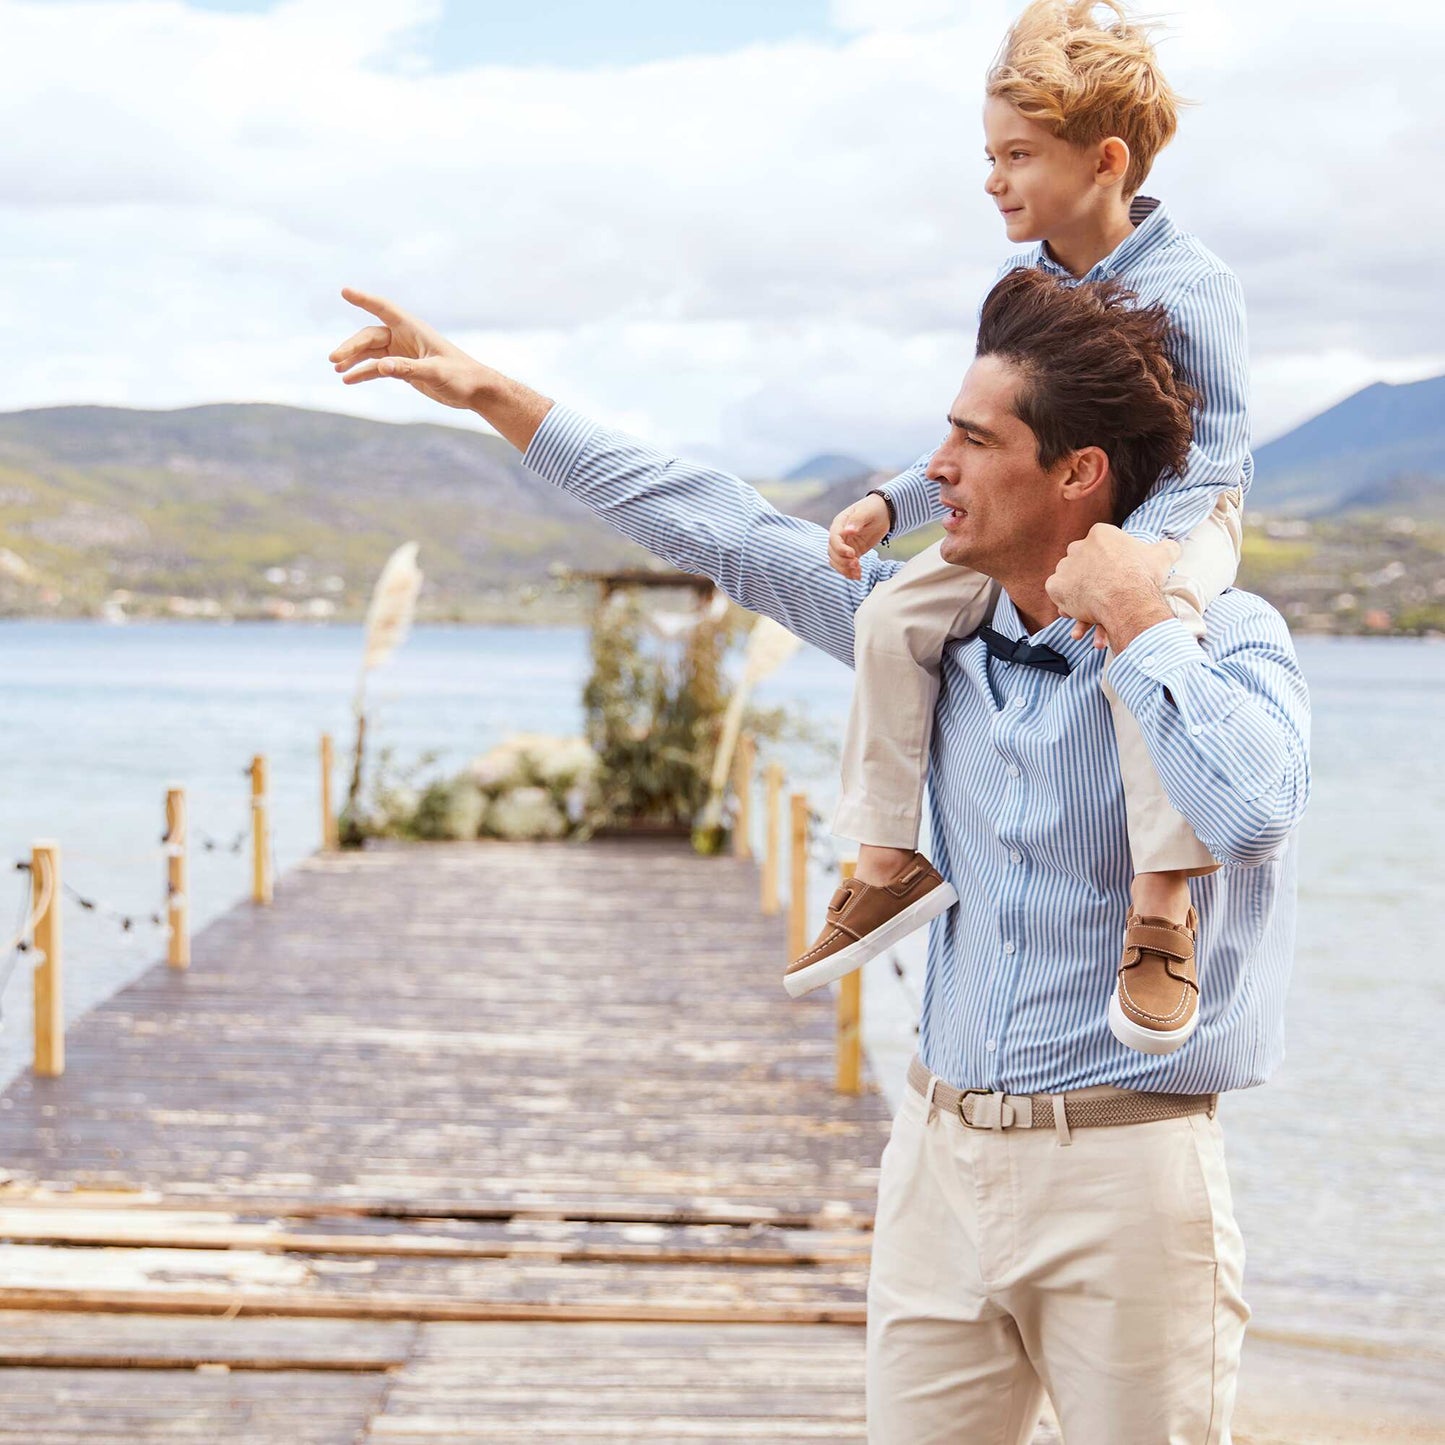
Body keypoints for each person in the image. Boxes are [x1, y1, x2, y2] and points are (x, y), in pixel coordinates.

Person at [327, 265, 1308, 1442]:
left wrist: (1143, 626)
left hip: (1126, 1172)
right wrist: (494, 392)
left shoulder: (1221, 636)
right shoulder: (925, 633)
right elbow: (721, 525)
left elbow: (1249, 809)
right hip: (937, 1160)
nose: (930, 469)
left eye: (968, 439)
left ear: (1075, 474)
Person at [804, 0, 1250, 1060]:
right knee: (892, 612)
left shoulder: (1195, 286)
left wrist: (1128, 560)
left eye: (1016, 155)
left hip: (1176, 514)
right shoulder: (1030, 287)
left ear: (1101, 161)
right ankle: (883, 864)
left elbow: (1220, 453)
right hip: (1042, 519)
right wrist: (891, 503)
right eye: (989, 154)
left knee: (1147, 634)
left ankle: (1158, 905)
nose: (993, 178)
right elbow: (979, 434)